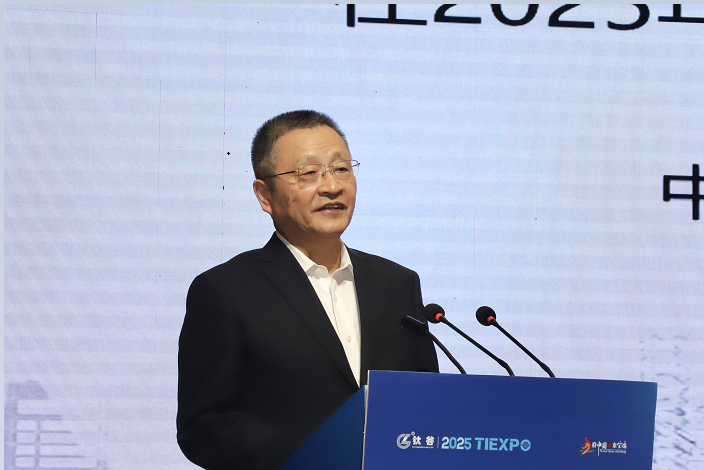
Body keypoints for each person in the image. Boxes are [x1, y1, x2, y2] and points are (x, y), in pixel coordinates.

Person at [177, 110, 438, 470]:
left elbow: (427, 400)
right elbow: (203, 425)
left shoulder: (397, 283)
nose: (331, 186)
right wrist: (310, 454)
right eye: (308, 173)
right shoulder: (226, 291)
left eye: (341, 168)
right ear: (264, 195)